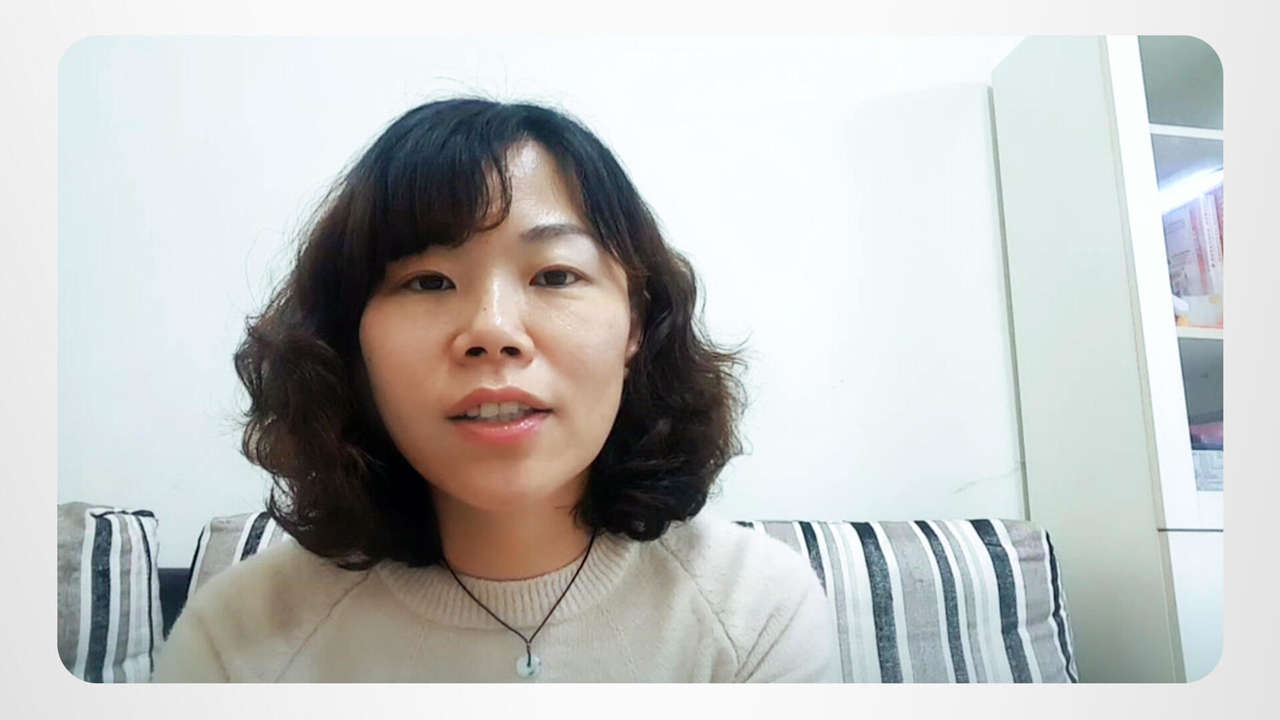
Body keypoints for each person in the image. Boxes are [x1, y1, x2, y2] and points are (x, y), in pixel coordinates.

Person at [151, 98, 840, 683]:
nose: (492, 331)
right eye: (428, 282)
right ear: (350, 340)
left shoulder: (755, 616)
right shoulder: (237, 642)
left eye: (554, 276)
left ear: (636, 323)